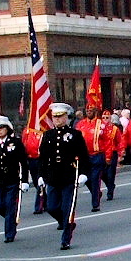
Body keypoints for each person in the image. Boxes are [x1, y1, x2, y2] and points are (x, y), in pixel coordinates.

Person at [37, 103, 90, 250]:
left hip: (69, 176)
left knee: (68, 208)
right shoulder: (48, 135)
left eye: (60, 117)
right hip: (53, 176)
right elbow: (42, 158)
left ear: (66, 117)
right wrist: (41, 175)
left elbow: (84, 156)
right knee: (51, 207)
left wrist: (84, 174)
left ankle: (66, 239)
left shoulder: (75, 135)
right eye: (55, 117)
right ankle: (66, 222)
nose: (57, 120)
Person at [0, 116, 29, 243]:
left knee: (9, 205)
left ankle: (9, 233)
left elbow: (23, 163)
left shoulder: (16, 142)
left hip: (12, 179)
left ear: (7, 129)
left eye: (2, 128)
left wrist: (25, 181)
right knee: (0, 206)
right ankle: (11, 220)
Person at [76, 104, 111, 212]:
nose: (89, 112)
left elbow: (107, 141)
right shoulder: (80, 124)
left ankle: (95, 204)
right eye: (87, 110)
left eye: (91, 110)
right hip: (84, 157)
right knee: (86, 178)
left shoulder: (101, 124)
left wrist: (108, 156)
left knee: (95, 179)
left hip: (97, 155)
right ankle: (96, 192)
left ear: (95, 111)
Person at [101, 109, 125, 200]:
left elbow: (120, 141)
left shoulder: (115, 129)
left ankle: (110, 192)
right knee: (102, 173)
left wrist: (120, 153)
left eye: (107, 118)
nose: (105, 119)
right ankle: (110, 185)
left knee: (111, 174)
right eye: (103, 118)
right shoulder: (99, 128)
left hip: (112, 153)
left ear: (110, 118)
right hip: (102, 153)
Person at [21, 127, 46, 214]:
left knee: (40, 182)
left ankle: (38, 206)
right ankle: (45, 202)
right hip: (31, 159)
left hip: (41, 159)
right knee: (36, 182)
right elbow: (24, 144)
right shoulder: (27, 131)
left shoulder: (44, 130)